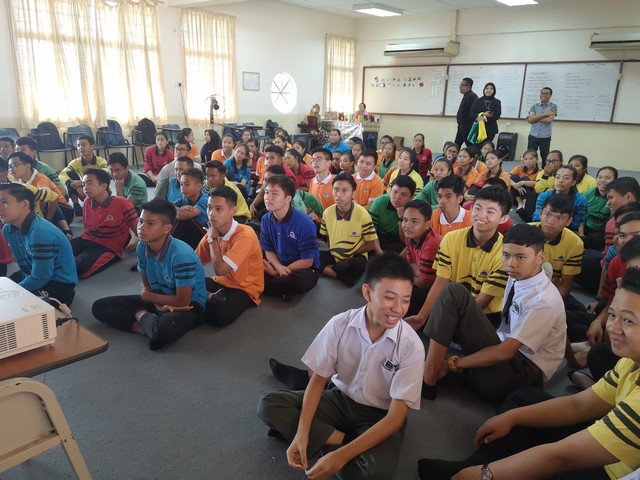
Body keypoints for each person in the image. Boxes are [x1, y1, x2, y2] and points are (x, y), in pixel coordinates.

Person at [418, 266, 640, 480]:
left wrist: (487, 475)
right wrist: (513, 417)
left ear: (538, 257)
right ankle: (475, 464)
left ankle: (481, 471)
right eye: (612, 315)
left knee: (552, 461)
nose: (613, 327)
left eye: (628, 320)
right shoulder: (629, 364)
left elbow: (564, 457)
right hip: (608, 454)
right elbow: (579, 405)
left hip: (610, 474)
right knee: (524, 402)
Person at [257, 252, 424, 480]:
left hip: (380, 415)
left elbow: (396, 417)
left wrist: (341, 455)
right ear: (367, 292)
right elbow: (318, 380)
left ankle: (324, 440)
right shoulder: (340, 324)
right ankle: (342, 441)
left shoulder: (411, 346)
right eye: (390, 298)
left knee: (376, 472)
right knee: (268, 405)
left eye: (406, 300)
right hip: (340, 398)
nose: (398, 308)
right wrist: (302, 433)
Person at [420, 224, 566, 404]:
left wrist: (452, 363)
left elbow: (504, 353)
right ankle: (436, 372)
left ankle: (432, 377)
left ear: (540, 258)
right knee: (453, 294)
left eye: (520, 257)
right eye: (506, 255)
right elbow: (561, 332)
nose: (511, 263)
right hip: (504, 349)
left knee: (454, 294)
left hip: (518, 374)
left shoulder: (544, 301)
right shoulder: (519, 275)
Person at [92, 199, 206, 350]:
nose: (141, 227)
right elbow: (147, 286)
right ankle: (145, 327)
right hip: (159, 297)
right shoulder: (142, 247)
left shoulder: (181, 255)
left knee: (162, 331)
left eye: (150, 223)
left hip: (189, 306)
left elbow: (182, 300)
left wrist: (148, 299)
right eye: (141, 221)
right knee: (99, 307)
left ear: (166, 228)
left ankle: (142, 316)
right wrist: (154, 301)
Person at [405, 186, 511, 332]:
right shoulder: (451, 239)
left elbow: (483, 301)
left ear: (503, 218)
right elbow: (441, 282)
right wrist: (422, 316)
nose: (481, 215)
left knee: (446, 327)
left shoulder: (505, 253)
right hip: (451, 302)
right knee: (406, 298)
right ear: (471, 208)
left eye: (490, 212)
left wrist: (450, 319)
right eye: (478, 208)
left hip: (485, 313)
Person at [195, 186, 264, 326]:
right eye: (209, 207)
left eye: (218, 209)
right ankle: (208, 296)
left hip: (244, 287)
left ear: (233, 211)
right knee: (178, 284)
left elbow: (220, 270)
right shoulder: (213, 230)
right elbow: (194, 262)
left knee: (218, 315)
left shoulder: (245, 235)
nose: (211, 214)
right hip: (220, 282)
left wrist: (212, 240)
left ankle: (200, 300)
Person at [0, 183, 77, 306]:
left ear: (25, 204)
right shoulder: (8, 229)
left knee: (10, 305)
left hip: (57, 285)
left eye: (4, 202)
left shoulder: (40, 232)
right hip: (30, 274)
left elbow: (41, 277)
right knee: (4, 289)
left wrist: (14, 293)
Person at [260, 175, 320, 302]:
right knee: (249, 264)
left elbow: (307, 261)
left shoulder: (305, 223)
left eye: (274, 193)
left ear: (288, 198)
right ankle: (281, 287)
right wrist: (278, 266)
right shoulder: (266, 219)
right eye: (266, 192)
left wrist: (276, 272)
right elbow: (268, 250)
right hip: (278, 262)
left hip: (302, 268)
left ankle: (274, 285)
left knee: (298, 282)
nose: (268, 197)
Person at [71, 169, 139, 278]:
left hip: (107, 247)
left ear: (104, 186)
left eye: (90, 183)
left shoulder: (122, 203)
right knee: (55, 251)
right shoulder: (87, 202)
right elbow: (88, 229)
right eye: (83, 184)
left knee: (74, 266)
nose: (85, 188)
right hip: (86, 239)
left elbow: (138, 229)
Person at [319, 173, 378, 287]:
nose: (339, 195)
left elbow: (371, 244)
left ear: (353, 194)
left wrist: (350, 253)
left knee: (355, 265)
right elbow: (325, 237)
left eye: (345, 191)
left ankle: (333, 269)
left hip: (355, 255)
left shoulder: (362, 214)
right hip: (334, 254)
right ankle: (339, 276)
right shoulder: (327, 213)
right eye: (336, 190)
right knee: (311, 257)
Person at [7, 151, 74, 239]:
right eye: (9, 166)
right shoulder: (18, 180)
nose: (11, 169)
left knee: (45, 200)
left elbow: (53, 199)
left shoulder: (40, 179)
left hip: (64, 212)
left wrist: (47, 220)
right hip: (42, 212)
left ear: (27, 166)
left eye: (14, 165)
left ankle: (66, 230)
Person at [400, 199, 442, 317]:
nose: (407, 226)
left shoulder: (432, 244)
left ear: (428, 224)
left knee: (401, 292)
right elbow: (410, 262)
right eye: (405, 220)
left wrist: (408, 272)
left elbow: (424, 283)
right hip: (420, 282)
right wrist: (414, 270)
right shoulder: (410, 236)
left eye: (414, 221)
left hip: (435, 294)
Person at [59, 135, 108, 216]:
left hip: (98, 189)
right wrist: (74, 184)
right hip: (83, 190)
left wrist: (82, 183)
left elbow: (105, 174)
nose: (80, 148)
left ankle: (97, 204)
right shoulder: (76, 162)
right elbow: (62, 175)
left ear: (92, 147)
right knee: (70, 177)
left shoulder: (101, 161)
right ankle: (76, 205)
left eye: (84, 145)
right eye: (78, 145)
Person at [533, 164, 587, 232]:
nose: (560, 180)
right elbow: (537, 217)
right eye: (558, 177)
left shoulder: (580, 199)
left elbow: (576, 223)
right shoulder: (544, 196)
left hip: (567, 230)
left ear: (573, 182)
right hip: (544, 228)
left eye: (566, 178)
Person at [370, 175, 416, 253]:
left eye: (403, 194)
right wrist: (380, 254)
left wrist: (401, 218)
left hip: (400, 245)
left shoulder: (414, 210)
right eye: (395, 192)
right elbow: (371, 233)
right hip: (378, 241)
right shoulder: (380, 202)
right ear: (390, 191)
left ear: (411, 197)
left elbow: (405, 241)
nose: (397, 197)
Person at [172, 167, 209, 249]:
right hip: (189, 236)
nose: (182, 188)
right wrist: (181, 208)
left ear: (199, 186)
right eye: (181, 184)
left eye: (187, 184)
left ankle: (167, 247)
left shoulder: (206, 200)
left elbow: (181, 215)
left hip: (205, 238)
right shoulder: (185, 199)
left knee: (183, 219)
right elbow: (166, 207)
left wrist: (179, 210)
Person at [583, 166, 617, 250]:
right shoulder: (589, 193)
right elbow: (582, 214)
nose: (602, 180)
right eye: (600, 177)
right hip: (586, 227)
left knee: (594, 239)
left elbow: (613, 222)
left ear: (615, 181)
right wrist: (580, 234)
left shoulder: (616, 197)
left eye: (607, 178)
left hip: (603, 231)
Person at [527, 86, 557, 167]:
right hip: (533, 135)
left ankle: (544, 172)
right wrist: (545, 114)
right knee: (531, 155)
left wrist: (535, 118)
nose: (544, 95)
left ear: (550, 95)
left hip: (545, 136)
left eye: (546, 93)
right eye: (542, 93)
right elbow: (530, 119)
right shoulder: (534, 106)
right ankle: (534, 170)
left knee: (545, 155)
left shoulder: (553, 106)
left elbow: (549, 120)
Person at [510, 149, 540, 213]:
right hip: (516, 194)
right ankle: (520, 203)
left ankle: (524, 204)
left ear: (537, 159)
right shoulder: (519, 168)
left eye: (531, 159)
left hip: (529, 196)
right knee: (513, 177)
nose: (528, 161)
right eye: (525, 159)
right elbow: (507, 177)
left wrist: (522, 183)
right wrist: (515, 185)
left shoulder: (540, 171)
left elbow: (538, 184)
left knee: (525, 178)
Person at [455, 77, 479, 148]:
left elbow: (474, 112)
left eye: (462, 85)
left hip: (467, 127)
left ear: (468, 86)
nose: (460, 86)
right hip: (461, 127)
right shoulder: (466, 95)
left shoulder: (472, 96)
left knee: (471, 147)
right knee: (456, 145)